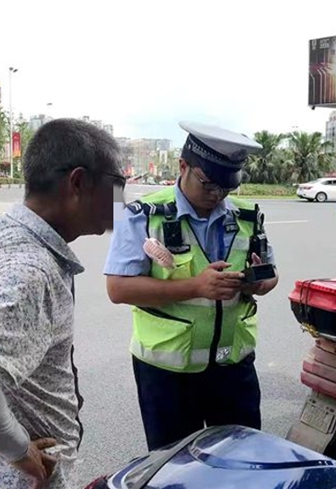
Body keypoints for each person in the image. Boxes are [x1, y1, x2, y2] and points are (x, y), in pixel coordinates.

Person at [0, 118, 126, 489]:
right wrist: (15, 447)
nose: (121, 202)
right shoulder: (33, 268)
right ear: (78, 183)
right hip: (7, 477)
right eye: (117, 186)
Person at [104, 121, 279, 451]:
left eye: (226, 189)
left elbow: (271, 276)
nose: (217, 195)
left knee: (241, 460)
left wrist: (257, 284)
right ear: (183, 166)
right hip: (167, 374)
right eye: (209, 184)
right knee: (174, 467)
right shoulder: (143, 215)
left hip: (233, 367)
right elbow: (118, 289)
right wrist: (196, 287)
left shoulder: (247, 216)